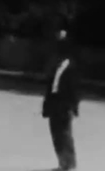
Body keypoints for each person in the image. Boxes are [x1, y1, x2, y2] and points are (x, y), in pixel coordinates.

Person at [42, 30, 80, 170]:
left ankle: (69, 163)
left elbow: (74, 88)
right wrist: (46, 105)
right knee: (56, 134)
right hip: (54, 103)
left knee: (65, 134)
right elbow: (50, 85)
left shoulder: (71, 65)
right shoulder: (54, 63)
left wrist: (74, 106)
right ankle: (61, 162)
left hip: (64, 104)